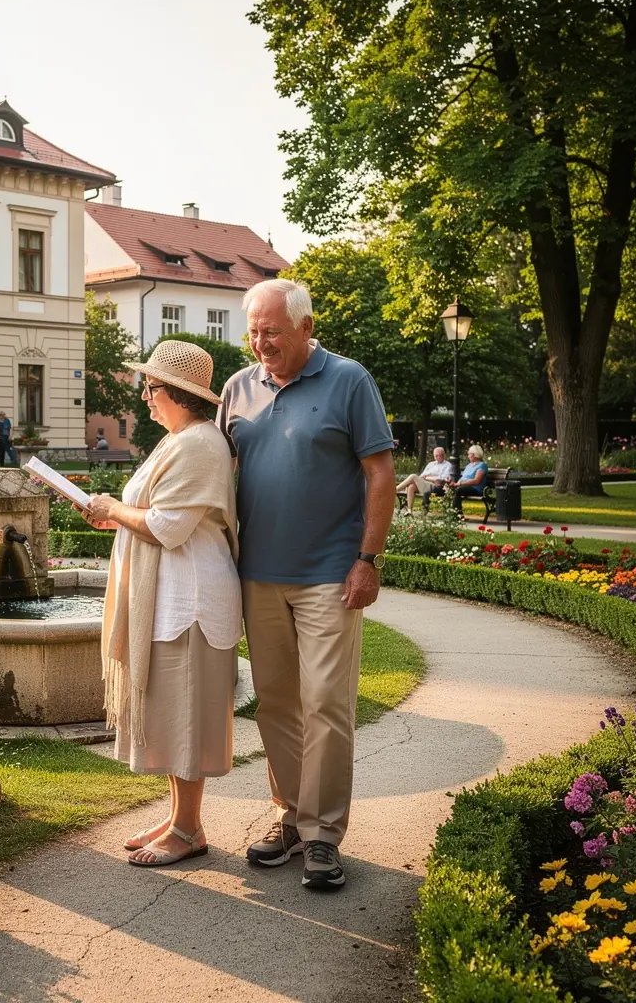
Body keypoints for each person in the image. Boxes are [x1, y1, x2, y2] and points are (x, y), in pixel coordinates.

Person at [217, 278, 396, 892]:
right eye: (254, 332)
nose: (260, 343)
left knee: (325, 703)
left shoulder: (350, 380)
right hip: (256, 575)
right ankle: (289, 817)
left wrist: (367, 559)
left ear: (306, 328)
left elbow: (380, 473)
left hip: (329, 575)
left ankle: (322, 836)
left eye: (272, 331)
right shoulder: (237, 388)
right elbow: (220, 472)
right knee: (275, 702)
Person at [81, 340, 241, 868]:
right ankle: (177, 817)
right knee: (173, 710)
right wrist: (115, 514)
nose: (145, 397)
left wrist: (112, 508)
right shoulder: (178, 439)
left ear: (176, 393)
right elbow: (150, 510)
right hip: (171, 595)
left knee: (187, 712)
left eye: (150, 388)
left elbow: (169, 527)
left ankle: (190, 828)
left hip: (190, 598)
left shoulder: (198, 444)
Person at [396, 446, 452, 513]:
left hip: (434, 487)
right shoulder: (431, 464)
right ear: (434, 456)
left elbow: (441, 479)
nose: (439, 457)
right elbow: (421, 476)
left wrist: (428, 477)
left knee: (413, 476)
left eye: (441, 455)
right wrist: (430, 478)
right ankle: (409, 510)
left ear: (444, 455)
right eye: (437, 455)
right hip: (425, 484)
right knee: (411, 487)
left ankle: (395, 490)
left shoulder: (447, 465)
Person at [448, 444, 489, 514]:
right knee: (449, 489)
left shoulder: (482, 465)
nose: (468, 456)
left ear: (474, 454)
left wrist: (460, 483)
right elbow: (463, 477)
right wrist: (455, 484)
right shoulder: (469, 465)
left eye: (469, 454)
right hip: (465, 487)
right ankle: (453, 513)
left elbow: (477, 481)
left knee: (458, 490)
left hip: (475, 489)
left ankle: (457, 514)